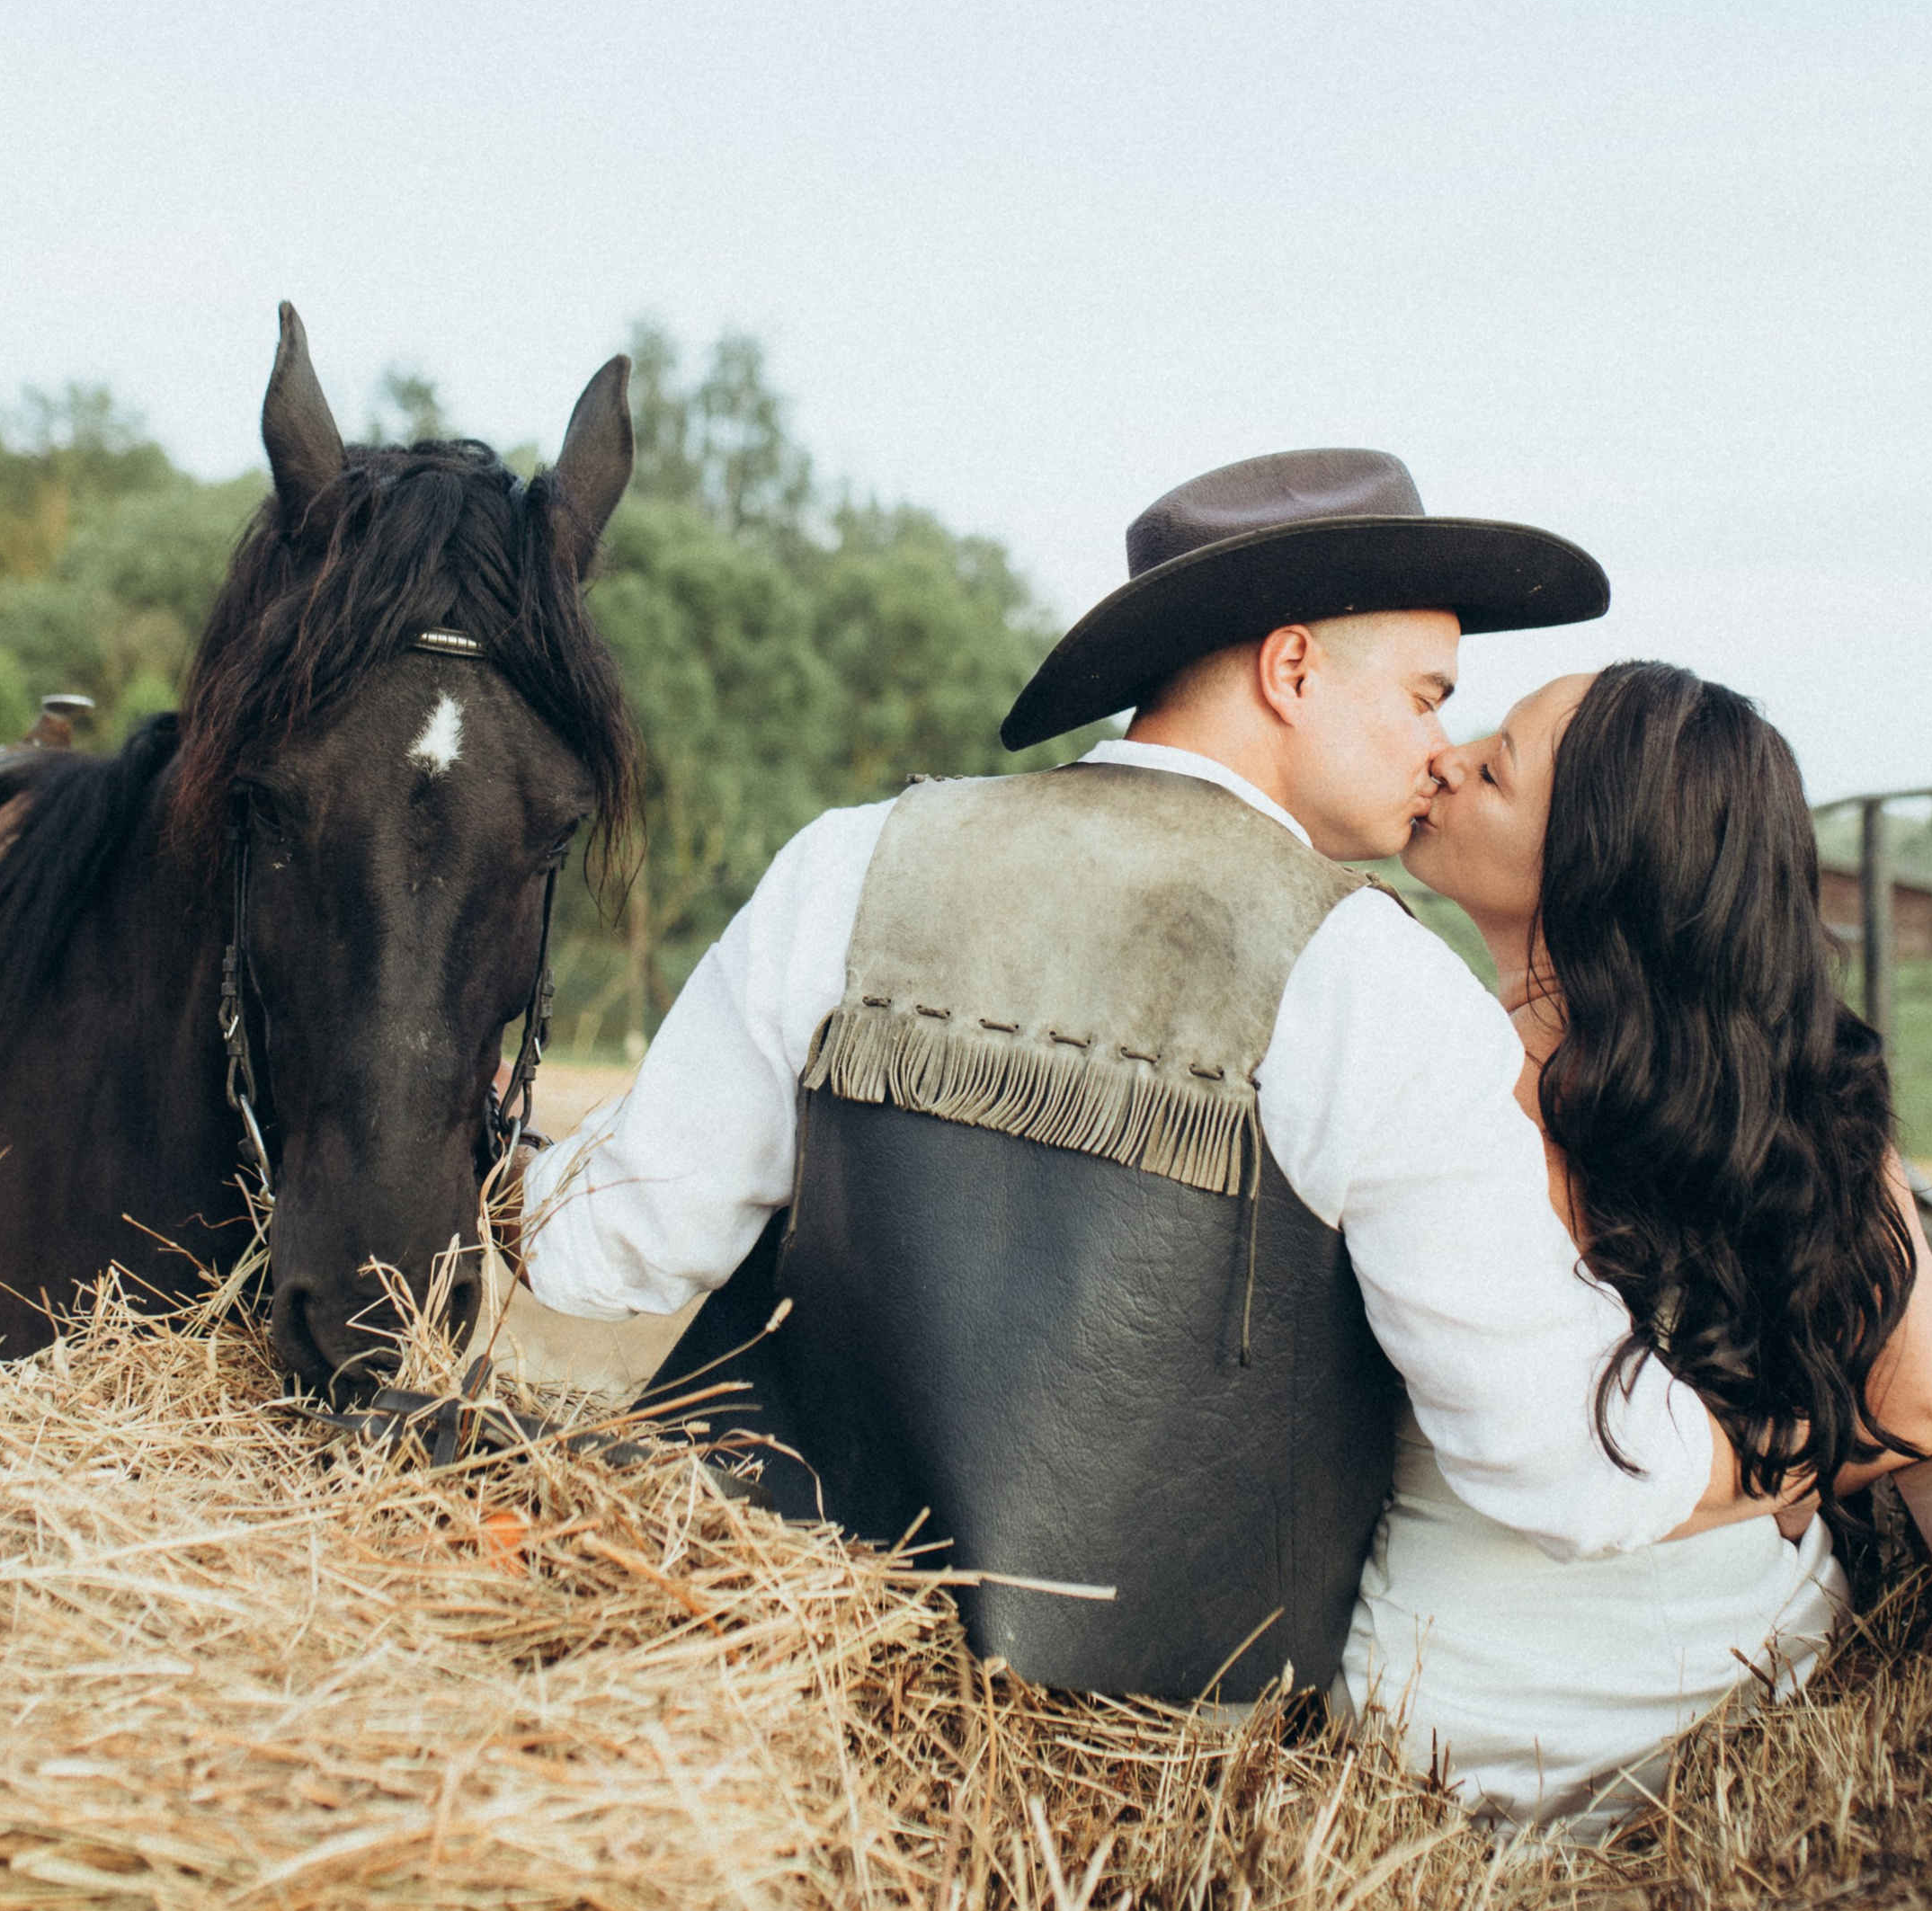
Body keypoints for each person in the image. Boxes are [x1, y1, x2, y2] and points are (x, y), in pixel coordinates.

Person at [523, 447, 1770, 1704]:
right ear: (1291, 671)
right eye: (1424, 695)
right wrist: (1803, 1454)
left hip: (762, 1665)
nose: (1441, 749)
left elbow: (605, 1247)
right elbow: (1554, 1466)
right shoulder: (1376, 988)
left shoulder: (856, 861)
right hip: (1139, 1767)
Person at [1349, 658, 1932, 1836]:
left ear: (1591, 858)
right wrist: (1768, 1470)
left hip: (1467, 1745)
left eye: (1492, 767)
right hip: (1761, 1678)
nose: (1444, 758)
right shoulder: (1789, 1081)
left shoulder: (1445, 1084)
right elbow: (1931, 1402)